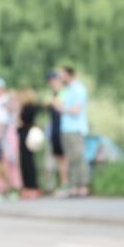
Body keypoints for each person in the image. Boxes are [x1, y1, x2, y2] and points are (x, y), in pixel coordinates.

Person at [58, 66, 90, 197]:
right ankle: (74, 186)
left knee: (79, 157)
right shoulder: (65, 90)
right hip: (65, 129)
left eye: (62, 75)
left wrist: (61, 108)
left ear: (69, 75)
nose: (60, 77)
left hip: (75, 129)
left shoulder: (79, 89)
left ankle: (83, 186)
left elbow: (76, 111)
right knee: (70, 159)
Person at [45, 71, 68, 193]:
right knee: (50, 159)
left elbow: (60, 105)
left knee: (63, 158)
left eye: (54, 79)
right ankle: (49, 186)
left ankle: (64, 184)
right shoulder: (48, 93)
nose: (52, 82)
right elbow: (47, 104)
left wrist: (54, 102)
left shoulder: (65, 92)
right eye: (50, 80)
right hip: (52, 130)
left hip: (63, 129)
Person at [16, 88, 41, 199]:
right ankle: (28, 187)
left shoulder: (28, 108)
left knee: (28, 163)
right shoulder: (28, 108)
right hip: (24, 136)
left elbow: (21, 122)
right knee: (25, 163)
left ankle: (32, 187)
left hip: (26, 136)